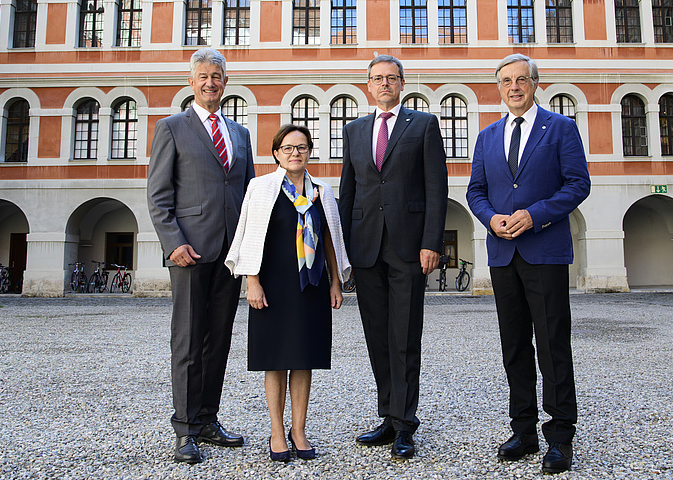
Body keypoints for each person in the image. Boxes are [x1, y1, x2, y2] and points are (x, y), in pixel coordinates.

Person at [466, 54, 590, 474]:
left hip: (545, 250)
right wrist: (490, 218)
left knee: (553, 344)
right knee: (514, 345)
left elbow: (578, 184)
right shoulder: (487, 136)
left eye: (521, 79)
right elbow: (476, 191)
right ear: (499, 87)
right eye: (506, 81)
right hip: (503, 253)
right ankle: (523, 430)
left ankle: (560, 436)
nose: (514, 87)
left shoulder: (560, 128)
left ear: (535, 83)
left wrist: (535, 215)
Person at [147, 47, 254, 464]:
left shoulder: (239, 133)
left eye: (217, 76)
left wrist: (249, 247)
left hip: (230, 254)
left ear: (226, 82)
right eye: (203, 77)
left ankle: (208, 419)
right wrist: (173, 243)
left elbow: (247, 195)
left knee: (219, 340)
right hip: (189, 252)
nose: (211, 83)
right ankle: (185, 429)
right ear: (191, 82)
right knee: (189, 341)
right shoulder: (171, 127)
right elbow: (159, 195)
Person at [339, 54, 448, 460]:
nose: (384, 83)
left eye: (391, 77)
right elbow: (348, 191)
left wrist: (432, 242)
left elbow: (436, 186)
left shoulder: (423, 125)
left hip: (409, 247)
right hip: (366, 247)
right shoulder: (354, 130)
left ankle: (405, 424)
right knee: (377, 337)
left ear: (402, 83)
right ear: (368, 85)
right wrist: (343, 251)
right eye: (377, 78)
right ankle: (387, 415)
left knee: (404, 337)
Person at [225, 124, 350, 462]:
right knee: (276, 359)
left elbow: (330, 237)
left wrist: (335, 282)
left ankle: (299, 430)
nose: (295, 153)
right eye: (288, 148)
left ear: (309, 152)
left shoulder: (322, 191)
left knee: (304, 359)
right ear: (276, 153)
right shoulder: (261, 186)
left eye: (302, 147)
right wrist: (252, 282)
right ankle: (277, 432)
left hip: (311, 284)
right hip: (272, 285)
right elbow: (250, 235)